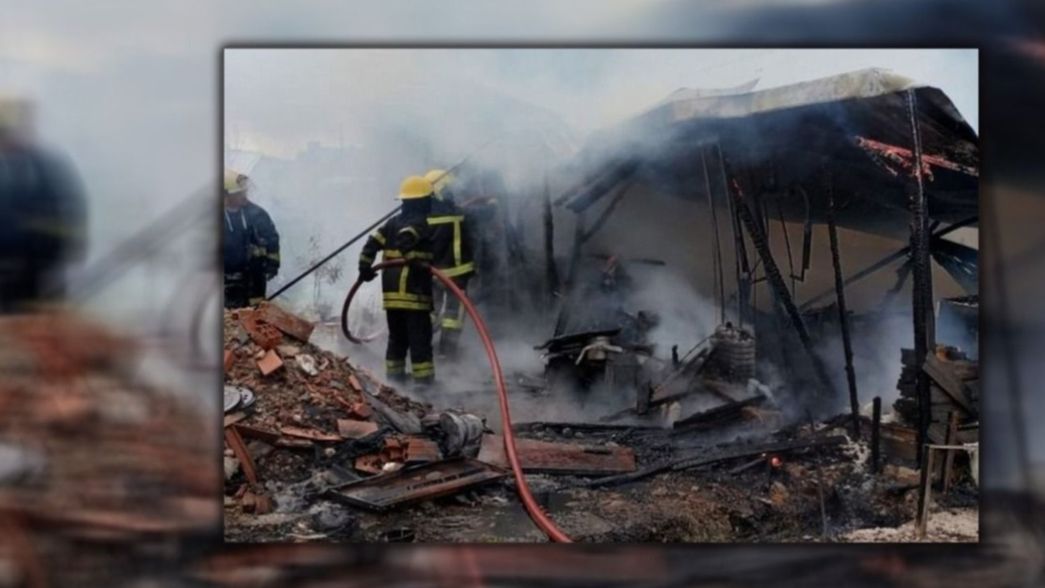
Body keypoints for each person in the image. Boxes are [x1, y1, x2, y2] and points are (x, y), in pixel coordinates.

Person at [0, 96, 87, 313]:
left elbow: (64, 222)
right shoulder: (40, 166)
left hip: (34, 271)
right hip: (30, 269)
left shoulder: (41, 169)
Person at [358, 175, 437, 387]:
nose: (431, 203)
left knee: (397, 340)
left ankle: (395, 383)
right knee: (419, 341)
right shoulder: (419, 223)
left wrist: (364, 269)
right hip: (414, 293)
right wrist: (415, 262)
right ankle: (424, 386)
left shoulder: (391, 223)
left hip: (392, 296)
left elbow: (371, 244)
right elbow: (405, 240)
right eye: (428, 199)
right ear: (421, 202)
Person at [423, 168, 476, 359]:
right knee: (453, 315)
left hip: (430, 272)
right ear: (442, 189)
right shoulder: (458, 214)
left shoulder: (422, 215)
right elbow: (482, 214)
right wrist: (492, 203)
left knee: (431, 310)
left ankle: (422, 347)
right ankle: (447, 352)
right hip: (456, 274)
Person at [222, 169, 280, 308]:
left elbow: (272, 240)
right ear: (226, 195)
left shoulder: (258, 214)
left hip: (254, 277)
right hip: (225, 279)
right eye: (239, 193)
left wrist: (272, 265)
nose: (244, 196)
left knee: (254, 315)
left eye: (244, 191)